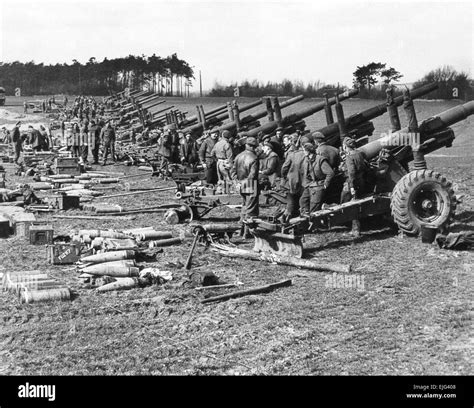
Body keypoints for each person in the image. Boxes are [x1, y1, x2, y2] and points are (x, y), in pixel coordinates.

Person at [340, 137, 369, 237]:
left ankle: (355, 229)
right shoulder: (359, 154)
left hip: (352, 183)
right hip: (361, 181)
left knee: (347, 203)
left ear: (345, 146)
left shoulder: (349, 157)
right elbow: (365, 167)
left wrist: (351, 186)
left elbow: (351, 172)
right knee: (357, 202)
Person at [231, 136, 260, 237]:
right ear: (253, 147)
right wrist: (244, 183)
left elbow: (233, 172)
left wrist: (238, 184)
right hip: (251, 187)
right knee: (251, 210)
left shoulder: (238, 156)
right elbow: (252, 176)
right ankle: (247, 233)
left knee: (244, 208)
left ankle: (241, 230)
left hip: (241, 187)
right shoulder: (254, 158)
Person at [280, 135, 311, 221]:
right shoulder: (310, 154)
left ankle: (287, 215)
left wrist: (285, 176)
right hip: (306, 182)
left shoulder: (292, 154)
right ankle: (302, 216)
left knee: (291, 199)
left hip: (293, 181)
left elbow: (284, 168)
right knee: (304, 200)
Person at [299, 142, 335, 215]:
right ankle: (305, 216)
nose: (303, 152)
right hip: (310, 185)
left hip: (319, 185)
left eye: (304, 150)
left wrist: (326, 184)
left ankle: (315, 223)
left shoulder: (320, 159)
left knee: (314, 206)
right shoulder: (306, 160)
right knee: (302, 201)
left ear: (308, 151)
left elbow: (330, 173)